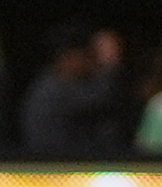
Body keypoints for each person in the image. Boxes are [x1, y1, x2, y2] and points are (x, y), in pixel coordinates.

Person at [20, 25, 126, 155]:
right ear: (69, 57)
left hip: (68, 161)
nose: (91, 62)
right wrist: (109, 64)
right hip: (56, 164)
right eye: (86, 56)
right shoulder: (52, 89)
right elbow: (101, 98)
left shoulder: (61, 82)